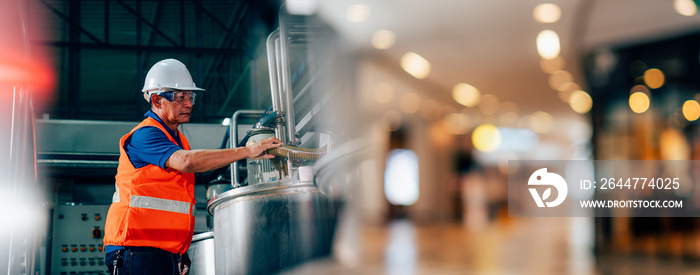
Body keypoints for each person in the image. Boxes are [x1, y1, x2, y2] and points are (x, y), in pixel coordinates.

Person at [103, 58, 281, 275]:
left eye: (190, 96)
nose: (188, 103)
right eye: (179, 97)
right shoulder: (145, 135)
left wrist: (179, 250)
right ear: (157, 100)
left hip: (161, 251)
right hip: (135, 249)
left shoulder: (176, 140)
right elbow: (186, 162)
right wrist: (247, 151)